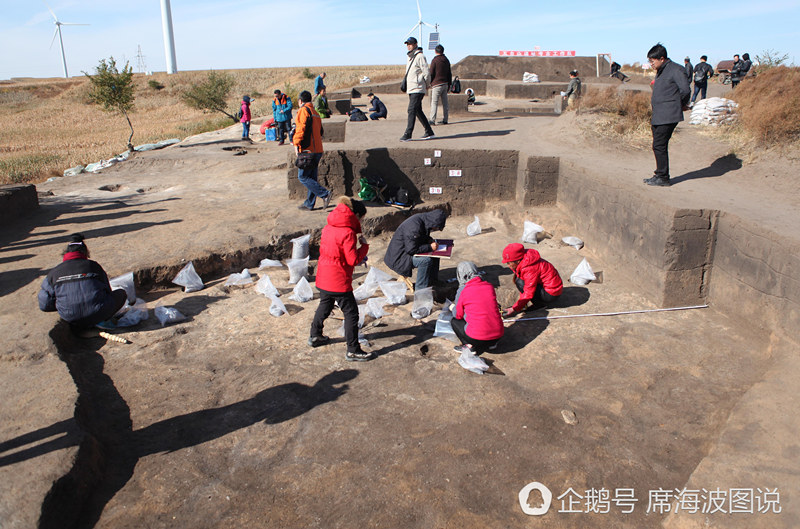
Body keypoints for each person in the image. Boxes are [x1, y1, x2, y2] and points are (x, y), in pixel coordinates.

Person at [308, 196, 373, 362]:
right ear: (355, 215)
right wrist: (364, 247)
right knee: (351, 314)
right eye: (362, 218)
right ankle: (353, 349)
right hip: (338, 281)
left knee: (325, 305)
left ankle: (315, 335)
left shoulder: (328, 227)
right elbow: (352, 259)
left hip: (324, 277)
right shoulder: (348, 232)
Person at [38, 233, 128, 330]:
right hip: (100, 312)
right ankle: (102, 321)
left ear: (65, 253)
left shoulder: (53, 273)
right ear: (85, 253)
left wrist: (64, 304)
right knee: (121, 293)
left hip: (70, 316)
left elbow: (44, 304)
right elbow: (107, 290)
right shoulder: (94, 266)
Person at [643, 43, 690, 187]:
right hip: (660, 114)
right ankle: (659, 174)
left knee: (659, 144)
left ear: (662, 58)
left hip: (668, 114)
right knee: (658, 145)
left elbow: (685, 90)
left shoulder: (676, 70)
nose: (651, 64)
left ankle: (663, 177)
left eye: (652, 61)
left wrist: (678, 105)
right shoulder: (662, 71)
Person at [383, 209, 448, 290]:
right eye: (437, 228)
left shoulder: (423, 220)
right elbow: (411, 249)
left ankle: (432, 281)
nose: (435, 229)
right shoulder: (414, 226)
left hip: (405, 251)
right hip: (399, 258)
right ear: (433, 223)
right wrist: (430, 247)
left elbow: (420, 236)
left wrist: (429, 240)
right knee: (425, 261)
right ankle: (420, 290)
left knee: (435, 254)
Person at [451, 261, 504, 355]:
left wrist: (453, 308)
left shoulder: (463, 290)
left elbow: (457, 315)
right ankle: (492, 344)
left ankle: (469, 346)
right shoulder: (489, 286)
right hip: (497, 336)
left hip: (476, 338)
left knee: (454, 321)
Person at [293, 90, 332, 211]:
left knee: (303, 177)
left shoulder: (303, 111)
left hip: (307, 150)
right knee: (312, 177)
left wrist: (296, 143)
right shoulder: (315, 112)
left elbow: (301, 129)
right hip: (318, 149)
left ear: (300, 101)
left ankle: (325, 194)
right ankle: (309, 203)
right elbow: (321, 132)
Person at [501, 243, 563, 317]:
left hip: (551, 293)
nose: (508, 265)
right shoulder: (525, 260)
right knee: (519, 280)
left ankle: (539, 305)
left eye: (509, 263)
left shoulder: (529, 268)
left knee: (520, 282)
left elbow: (528, 291)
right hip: (550, 287)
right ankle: (526, 303)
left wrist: (514, 308)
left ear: (517, 261)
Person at [400, 36, 435, 142]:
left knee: (411, 110)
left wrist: (428, 83)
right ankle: (429, 131)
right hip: (411, 88)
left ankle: (408, 134)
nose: (408, 46)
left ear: (415, 44)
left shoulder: (420, 56)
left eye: (410, 44)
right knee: (417, 110)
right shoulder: (410, 57)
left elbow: (426, 72)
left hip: (418, 87)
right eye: (407, 44)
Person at [428, 44, 452, 126]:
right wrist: (449, 84)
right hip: (445, 84)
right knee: (445, 103)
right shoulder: (446, 60)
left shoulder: (434, 60)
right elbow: (449, 73)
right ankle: (445, 119)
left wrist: (429, 82)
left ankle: (432, 120)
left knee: (434, 103)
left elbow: (431, 73)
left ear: (435, 51)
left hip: (436, 84)